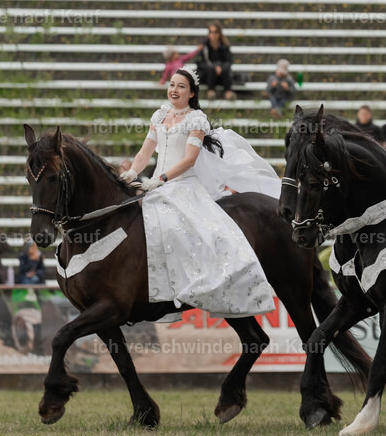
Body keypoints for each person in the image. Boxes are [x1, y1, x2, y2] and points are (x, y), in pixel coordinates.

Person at [118, 66, 276, 316]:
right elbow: (144, 153)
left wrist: (161, 179)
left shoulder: (196, 120)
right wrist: (132, 173)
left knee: (181, 228)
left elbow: (190, 159)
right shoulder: (160, 115)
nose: (174, 90)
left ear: (191, 93)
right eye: (172, 84)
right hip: (156, 184)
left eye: (181, 86)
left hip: (183, 185)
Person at [195, 20, 235, 100]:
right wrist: (214, 67)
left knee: (225, 70)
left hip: (221, 75)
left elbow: (229, 62)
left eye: (215, 32)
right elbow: (199, 63)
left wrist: (220, 67)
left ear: (219, 33)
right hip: (207, 75)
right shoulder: (203, 46)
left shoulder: (225, 46)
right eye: (211, 32)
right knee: (211, 70)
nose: (213, 35)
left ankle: (228, 92)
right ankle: (211, 92)